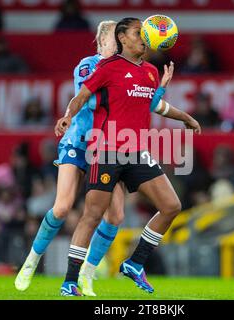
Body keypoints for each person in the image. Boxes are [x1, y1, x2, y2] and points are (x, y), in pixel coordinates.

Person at [15, 20, 176, 296]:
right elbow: (89, 98)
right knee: (63, 207)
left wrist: (151, 89)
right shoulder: (90, 66)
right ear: (102, 43)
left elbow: (141, 100)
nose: (118, 44)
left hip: (107, 146)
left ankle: (88, 273)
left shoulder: (128, 69)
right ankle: (31, 260)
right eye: (113, 40)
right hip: (80, 142)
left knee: (115, 216)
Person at [55, 17, 201, 296]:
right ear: (122, 38)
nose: (144, 37)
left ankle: (135, 263)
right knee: (93, 214)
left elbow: (155, 105)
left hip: (136, 151)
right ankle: (70, 280)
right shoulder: (107, 68)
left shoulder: (150, 71)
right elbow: (82, 96)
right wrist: (67, 116)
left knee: (171, 205)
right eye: (138, 33)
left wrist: (186, 118)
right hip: (106, 148)